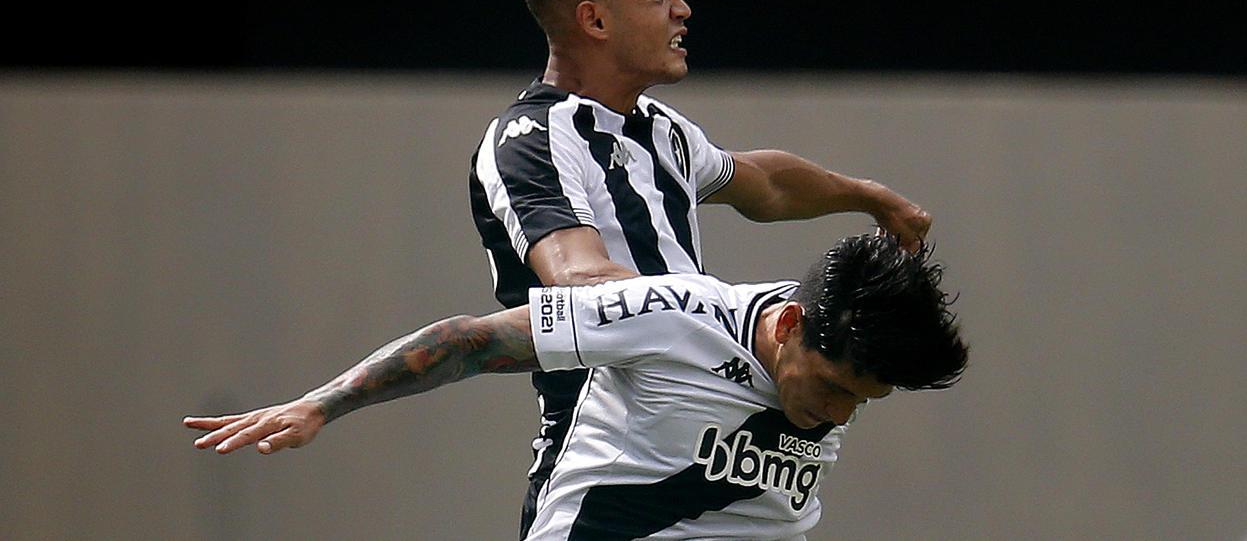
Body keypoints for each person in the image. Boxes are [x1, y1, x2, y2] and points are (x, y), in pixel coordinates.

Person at [469, 0, 936, 534]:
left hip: (699, 429)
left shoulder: (661, 131)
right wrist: (695, 319)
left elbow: (763, 184)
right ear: (596, 21)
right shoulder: (532, 139)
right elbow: (578, 279)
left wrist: (868, 197)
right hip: (615, 459)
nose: (682, 10)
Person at [185, 233, 968, 539]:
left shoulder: (838, 350)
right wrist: (322, 402)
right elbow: (470, 340)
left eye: (861, 402)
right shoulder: (676, 312)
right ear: (791, 324)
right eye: (832, 387)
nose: (836, 414)